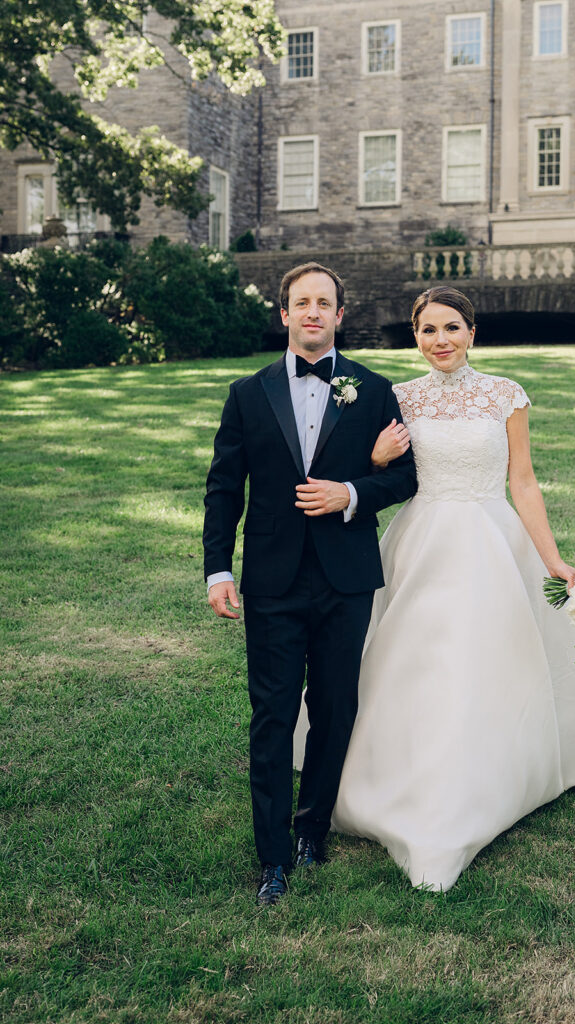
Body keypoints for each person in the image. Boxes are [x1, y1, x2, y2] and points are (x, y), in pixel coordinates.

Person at [294, 285, 575, 892]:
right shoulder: (399, 398)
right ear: (415, 337)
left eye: (452, 328)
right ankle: (404, 779)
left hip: (492, 539)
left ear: (472, 333)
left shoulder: (505, 395)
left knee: (492, 656)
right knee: (413, 657)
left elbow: (522, 482)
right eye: (428, 330)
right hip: (421, 540)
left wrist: (552, 559)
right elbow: (377, 477)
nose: (440, 341)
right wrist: (376, 458)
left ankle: (495, 771)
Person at [203, 262, 417, 906]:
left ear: (340, 316)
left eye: (325, 303)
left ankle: (312, 829)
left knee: (333, 706)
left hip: (345, 577)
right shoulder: (248, 393)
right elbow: (223, 488)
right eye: (303, 303)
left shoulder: (373, 390)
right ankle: (272, 857)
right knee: (271, 714)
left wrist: (351, 491)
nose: (314, 312)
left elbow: (405, 478)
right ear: (285, 314)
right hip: (271, 579)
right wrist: (219, 568)